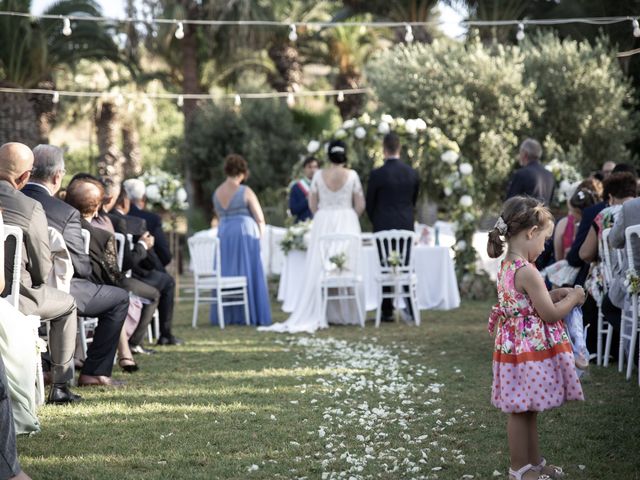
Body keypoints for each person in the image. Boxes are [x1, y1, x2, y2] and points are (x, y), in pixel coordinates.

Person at [486, 196, 585, 480]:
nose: (543, 247)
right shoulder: (527, 271)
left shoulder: (508, 265)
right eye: (543, 240)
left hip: (515, 348)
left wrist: (553, 294)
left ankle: (533, 465)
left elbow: (525, 304)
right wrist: (575, 297)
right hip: (526, 351)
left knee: (527, 408)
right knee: (520, 411)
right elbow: (551, 314)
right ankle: (519, 469)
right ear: (530, 233)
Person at [22, 145, 128, 387]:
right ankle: (94, 372)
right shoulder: (65, 212)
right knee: (119, 298)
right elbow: (81, 267)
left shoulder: (10, 203)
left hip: (9, 288)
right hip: (55, 290)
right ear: (58, 176)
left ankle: (47, 364)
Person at [0, 143, 80, 404]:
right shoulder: (29, 207)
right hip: (15, 297)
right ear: (25, 177)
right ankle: (60, 386)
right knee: (67, 305)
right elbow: (42, 270)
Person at [260, 140, 365, 333]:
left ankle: (323, 311)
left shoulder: (319, 175)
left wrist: (325, 213)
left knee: (320, 267)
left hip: (323, 221)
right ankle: (348, 313)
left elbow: (313, 205)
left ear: (328, 156)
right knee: (346, 266)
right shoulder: (352, 175)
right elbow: (360, 204)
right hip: (347, 221)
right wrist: (349, 216)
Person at [578, 172, 638, 361]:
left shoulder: (607, 214)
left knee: (594, 287)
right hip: (628, 282)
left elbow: (586, 253)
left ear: (610, 197)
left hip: (626, 280)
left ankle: (627, 350)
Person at [211, 154, 271, 326]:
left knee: (228, 271)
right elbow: (259, 218)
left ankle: (229, 315)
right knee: (247, 271)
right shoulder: (245, 191)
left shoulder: (217, 192)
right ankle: (250, 313)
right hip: (244, 234)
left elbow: (219, 215)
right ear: (243, 172)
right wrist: (260, 238)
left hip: (224, 234)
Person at [366, 132, 420, 322]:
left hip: (382, 226)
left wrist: (377, 221)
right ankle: (411, 309)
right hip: (406, 225)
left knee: (385, 267)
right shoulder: (412, 173)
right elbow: (413, 201)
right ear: (399, 148)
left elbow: (369, 204)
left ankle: (387, 310)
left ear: (384, 149)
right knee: (406, 267)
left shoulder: (377, 174)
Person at [123, 179, 182, 345]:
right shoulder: (149, 219)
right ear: (143, 197)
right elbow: (164, 253)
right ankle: (164, 333)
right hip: (139, 273)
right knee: (167, 281)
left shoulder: (111, 215)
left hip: (123, 272)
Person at [506, 138, 555, 206]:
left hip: (525, 216)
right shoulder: (549, 175)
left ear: (525, 154)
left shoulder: (521, 174)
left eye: (520, 152)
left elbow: (509, 204)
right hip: (544, 216)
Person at [288, 156, 318, 223]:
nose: (312, 170)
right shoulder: (296, 187)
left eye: (315, 167)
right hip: (303, 224)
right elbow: (293, 210)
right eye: (310, 167)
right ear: (304, 169)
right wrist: (307, 200)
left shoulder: (322, 186)